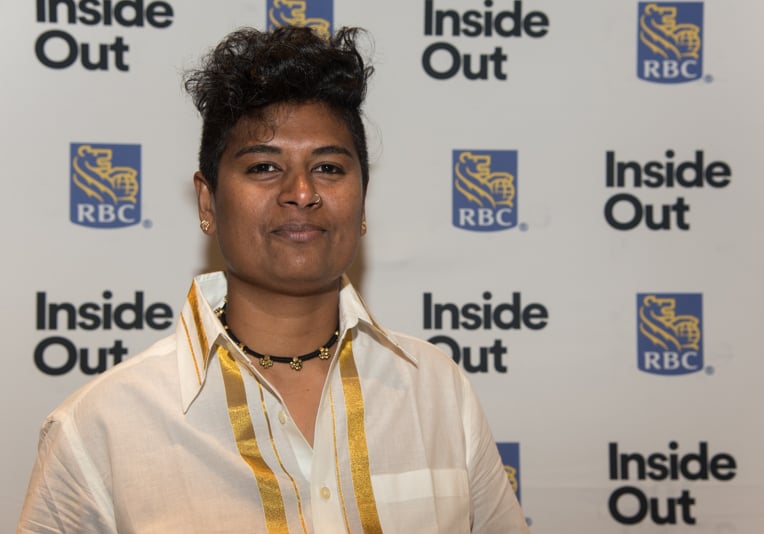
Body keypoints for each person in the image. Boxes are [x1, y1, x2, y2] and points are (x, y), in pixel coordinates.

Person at [18, 26, 528, 533]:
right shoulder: (100, 428)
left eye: (329, 168)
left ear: (363, 200)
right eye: (264, 166)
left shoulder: (437, 391)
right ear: (207, 202)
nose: (301, 192)